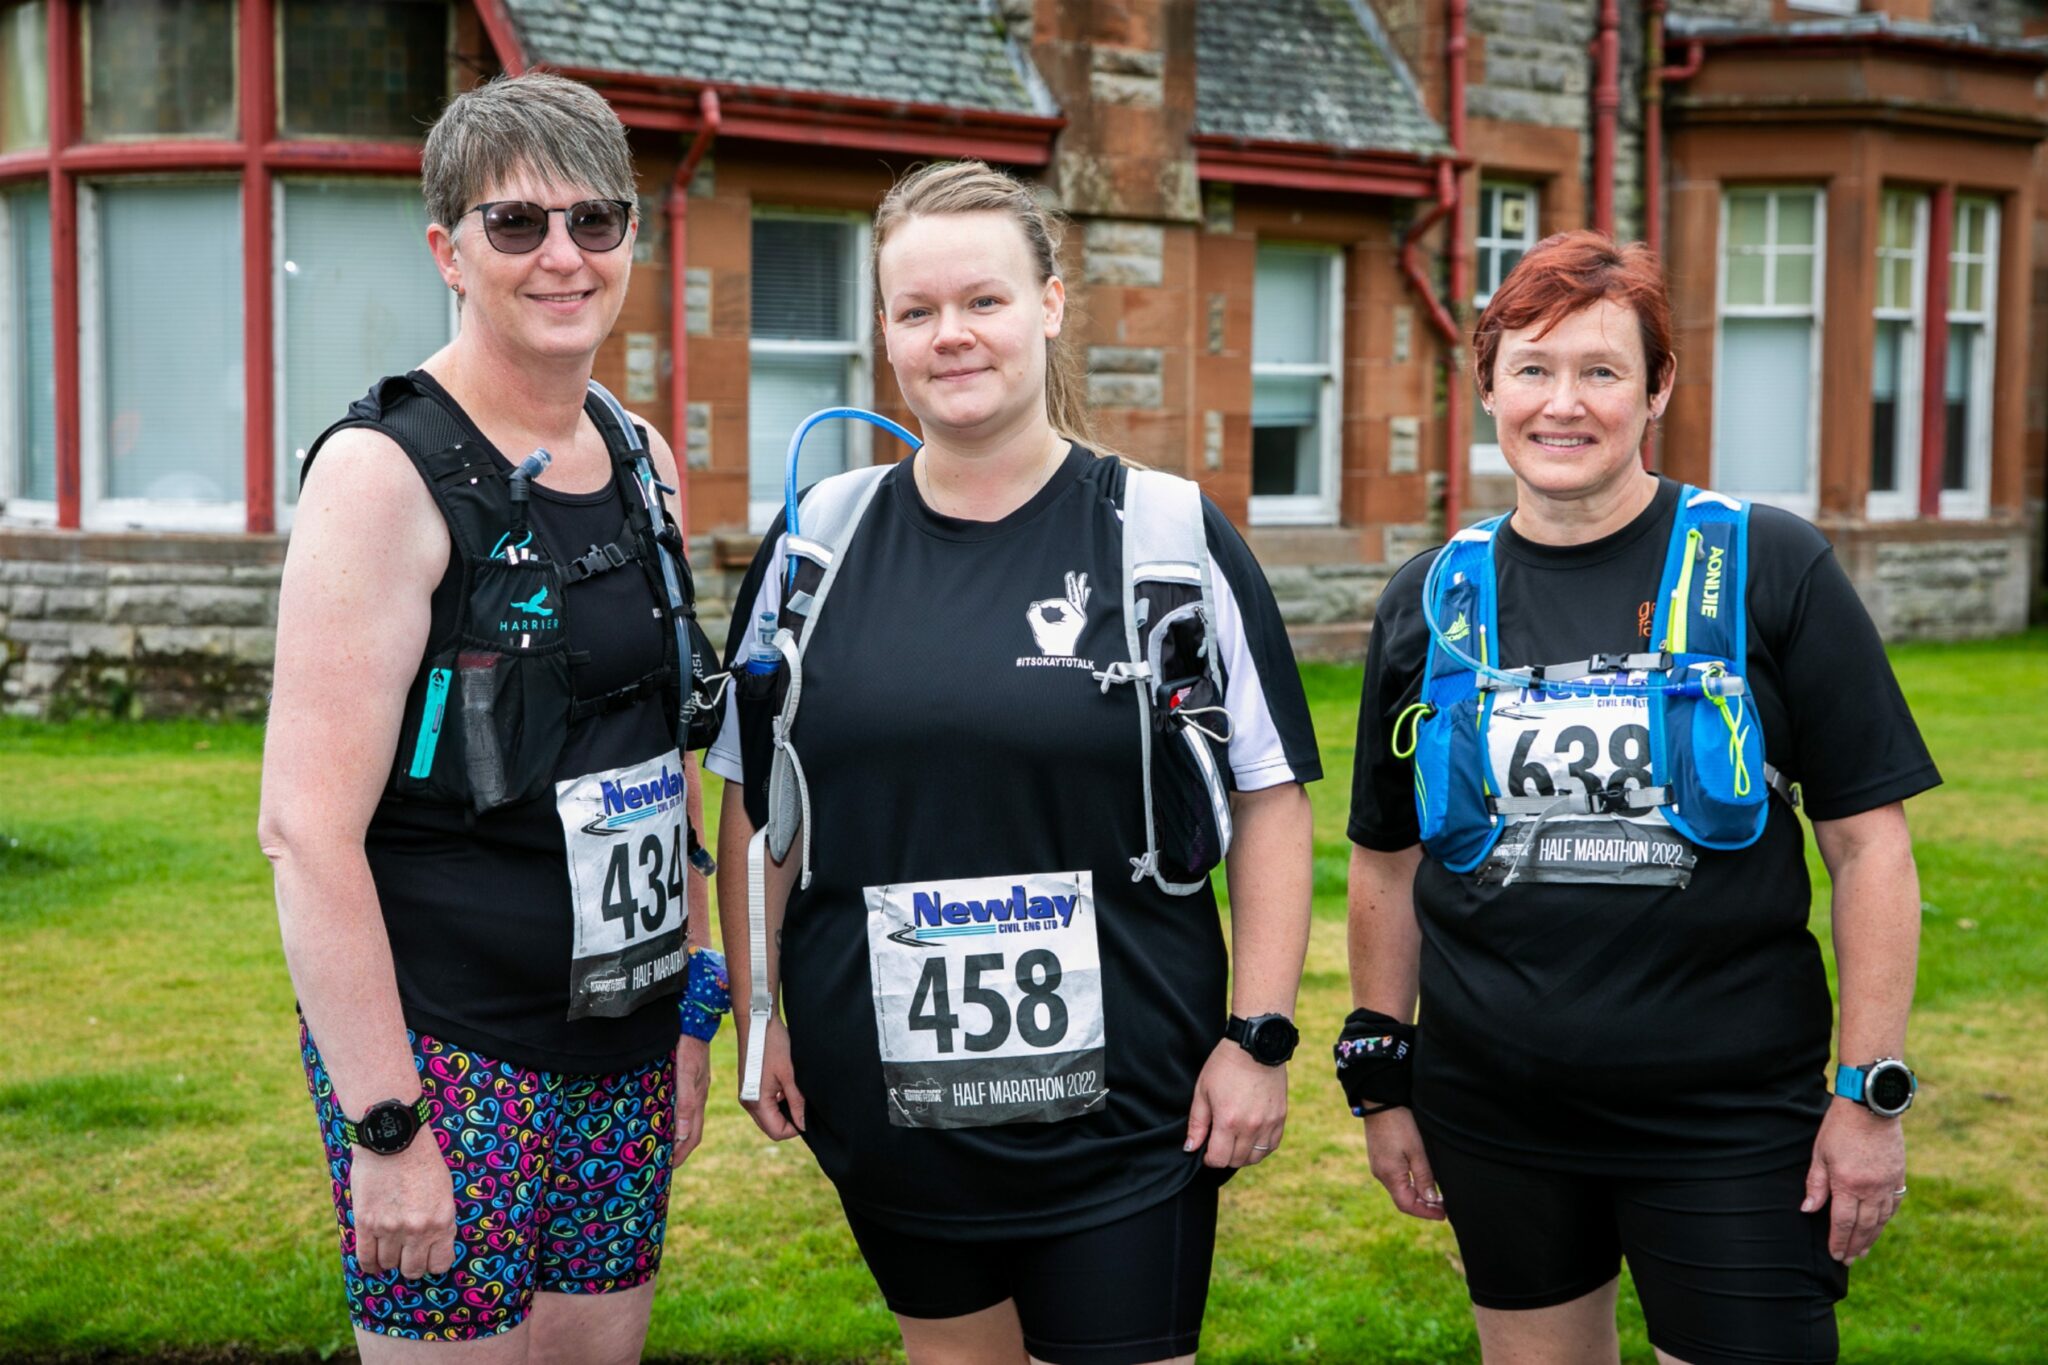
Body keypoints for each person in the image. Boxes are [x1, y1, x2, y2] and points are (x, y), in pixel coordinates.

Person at [705, 160, 1320, 1365]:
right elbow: (755, 805)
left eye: (982, 301)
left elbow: (1269, 797)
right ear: (882, 332)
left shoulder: (1164, 534)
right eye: (916, 311)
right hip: (886, 1103)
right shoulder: (815, 543)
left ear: (1047, 302)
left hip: (1130, 1110)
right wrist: (761, 1013)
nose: (951, 337)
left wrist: (1256, 1037)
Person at [1342, 230, 1938, 1365]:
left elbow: (1868, 849)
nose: (1561, 404)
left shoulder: (1770, 563)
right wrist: (1382, 1077)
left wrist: (1866, 1097)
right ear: (1486, 385)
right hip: (1494, 1111)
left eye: (1600, 371)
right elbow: (1385, 858)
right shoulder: (1429, 596)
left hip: (1723, 1116)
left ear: (1655, 387)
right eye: (1531, 368)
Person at [260, 72, 725, 1361]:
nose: (563, 256)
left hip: (621, 1047)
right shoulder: (382, 474)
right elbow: (304, 830)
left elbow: (656, 753)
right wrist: (387, 1125)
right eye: (516, 225)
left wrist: (690, 1001)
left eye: (597, 219)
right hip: (451, 1053)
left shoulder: (639, 455)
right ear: (447, 251)